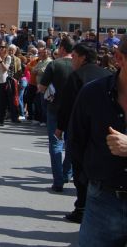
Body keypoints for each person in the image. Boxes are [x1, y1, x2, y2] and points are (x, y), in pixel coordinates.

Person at [69, 35, 127, 246]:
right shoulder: (93, 94)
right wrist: (90, 182)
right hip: (103, 201)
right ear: (119, 58)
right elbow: (76, 142)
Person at [56, 43, 112, 223]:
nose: (72, 60)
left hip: (81, 131)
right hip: (106, 131)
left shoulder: (77, 76)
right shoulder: (108, 75)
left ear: (83, 57)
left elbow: (67, 105)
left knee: (81, 171)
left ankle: (81, 209)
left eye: (74, 57)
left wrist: (60, 127)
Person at [38, 36, 74, 192]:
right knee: (71, 143)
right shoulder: (78, 64)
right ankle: (67, 174)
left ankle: (58, 180)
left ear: (63, 49)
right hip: (73, 109)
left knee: (55, 144)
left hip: (55, 108)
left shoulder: (54, 64)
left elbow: (42, 87)